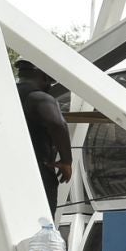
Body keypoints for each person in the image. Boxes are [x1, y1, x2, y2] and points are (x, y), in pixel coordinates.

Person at [15, 60, 73, 212]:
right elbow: (57, 124)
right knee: (41, 224)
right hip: (38, 173)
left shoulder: (5, 96)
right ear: (45, 77)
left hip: (9, 172)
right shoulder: (39, 97)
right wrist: (67, 161)